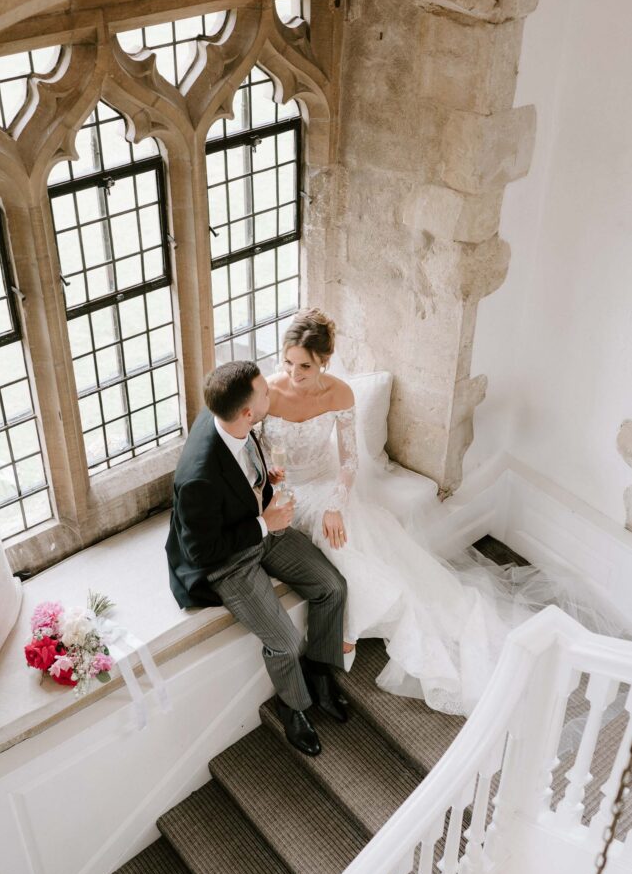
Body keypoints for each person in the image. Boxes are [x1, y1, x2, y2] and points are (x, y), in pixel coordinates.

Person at [259, 309, 626, 717]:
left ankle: (352, 626)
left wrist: (334, 505)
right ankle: (354, 624)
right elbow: (256, 451)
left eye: (305, 365)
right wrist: (273, 488)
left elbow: (348, 462)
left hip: (328, 487)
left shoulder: (340, 394)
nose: (294, 372)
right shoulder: (269, 391)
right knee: (348, 550)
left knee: (346, 539)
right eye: (288, 362)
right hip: (286, 488)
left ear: (324, 361)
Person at [165, 360, 349, 756]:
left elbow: (244, 463)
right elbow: (202, 551)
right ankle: (293, 706)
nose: (273, 390)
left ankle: (319, 672)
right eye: (264, 391)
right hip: (229, 558)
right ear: (248, 412)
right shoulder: (197, 477)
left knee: (333, 587)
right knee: (284, 641)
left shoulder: (228, 416)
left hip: (260, 521)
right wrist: (264, 525)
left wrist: (266, 480)